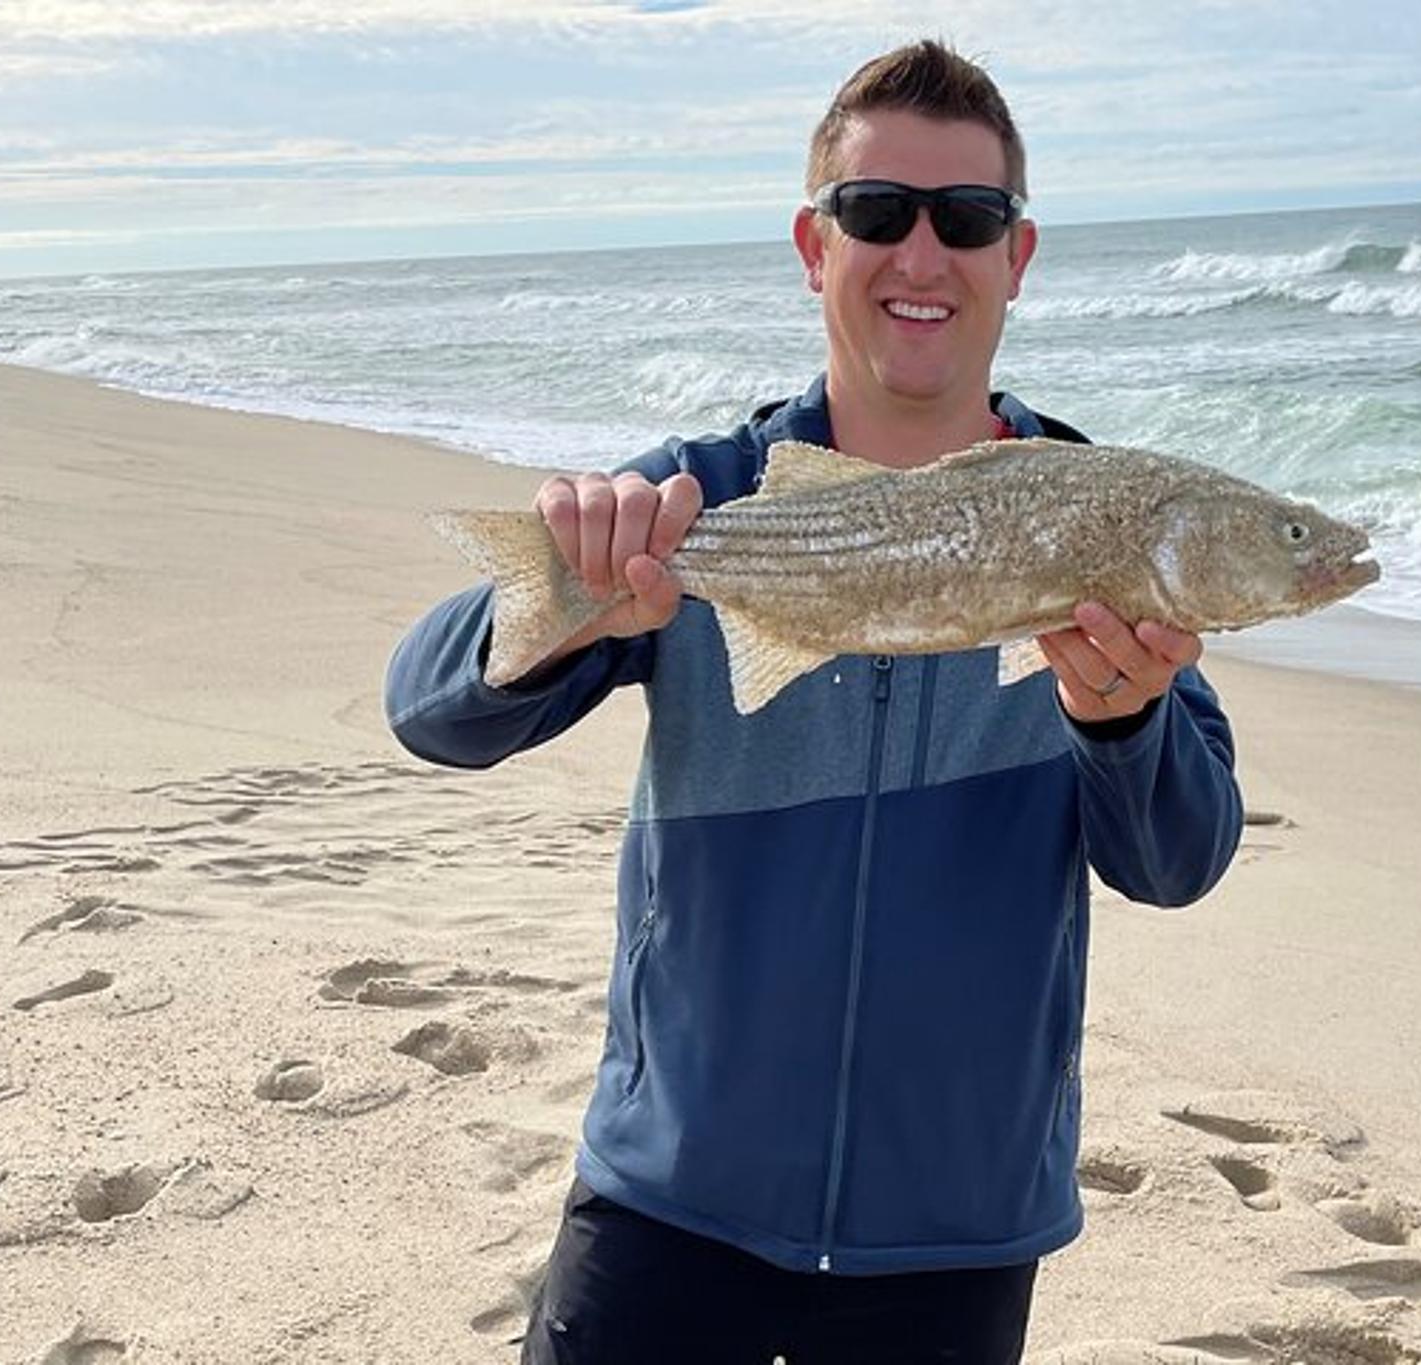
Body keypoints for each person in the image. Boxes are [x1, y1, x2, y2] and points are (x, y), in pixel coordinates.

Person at [385, 39, 1243, 1364]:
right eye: (874, 212)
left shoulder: (1101, 517)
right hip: (667, 1198)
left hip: (955, 1235)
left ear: (1017, 256)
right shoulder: (699, 495)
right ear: (812, 242)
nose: (920, 254)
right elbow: (430, 708)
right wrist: (569, 601)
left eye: (967, 219)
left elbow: (1181, 856)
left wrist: (1121, 724)